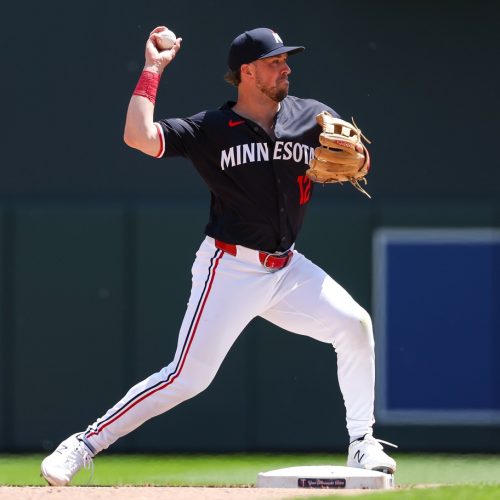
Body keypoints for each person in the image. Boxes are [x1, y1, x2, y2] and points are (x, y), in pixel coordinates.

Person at [41, 26, 396, 486]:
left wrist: (361, 160)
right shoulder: (210, 129)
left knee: (355, 324)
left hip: (287, 268)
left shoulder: (311, 117)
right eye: (274, 61)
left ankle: (362, 443)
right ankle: (84, 443)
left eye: (286, 59)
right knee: (186, 378)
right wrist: (152, 70)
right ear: (247, 72)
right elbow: (139, 136)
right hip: (229, 269)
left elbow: (358, 157)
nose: (286, 67)